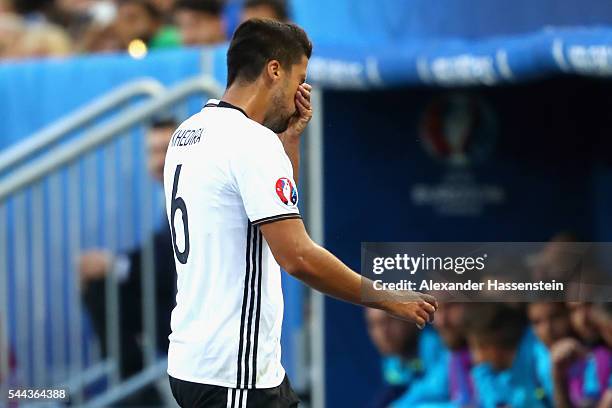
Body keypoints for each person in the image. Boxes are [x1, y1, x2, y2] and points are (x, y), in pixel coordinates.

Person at [163, 19, 437, 408]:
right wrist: (390, 300)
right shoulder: (250, 141)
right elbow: (298, 257)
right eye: (299, 77)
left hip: (199, 362)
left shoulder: (188, 133)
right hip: (235, 373)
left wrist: (288, 141)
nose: (300, 93)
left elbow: (270, 214)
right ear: (274, 70)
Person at [79, 118, 178, 406]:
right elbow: (157, 253)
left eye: (165, 150)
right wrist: (112, 265)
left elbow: (164, 264)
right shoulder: (168, 196)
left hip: (181, 316)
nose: (158, 160)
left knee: (104, 281)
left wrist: (113, 264)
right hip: (165, 305)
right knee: (99, 284)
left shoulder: (191, 194)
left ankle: (140, 393)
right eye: (152, 152)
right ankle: (135, 387)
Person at [393, 302, 474, 407]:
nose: (442, 321)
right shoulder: (453, 354)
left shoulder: (487, 353)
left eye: (450, 306)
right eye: (436, 310)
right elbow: (429, 389)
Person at [466, 303, 548, 408]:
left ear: (491, 346)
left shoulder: (542, 363)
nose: (475, 358)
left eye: (475, 348)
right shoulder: (492, 373)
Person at [364, 308, 423, 408]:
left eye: (390, 320)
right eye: (374, 324)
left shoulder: (437, 349)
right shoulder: (390, 362)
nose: (383, 332)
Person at [527, 302, 574, 401]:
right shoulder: (533, 355)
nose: (547, 329)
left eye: (554, 317)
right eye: (537, 322)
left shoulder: (592, 354)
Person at [114, 0, 180, 50]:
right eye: (121, 20)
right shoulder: (115, 48)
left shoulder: (170, 40)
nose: (125, 26)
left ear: (152, 20)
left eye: (132, 18)